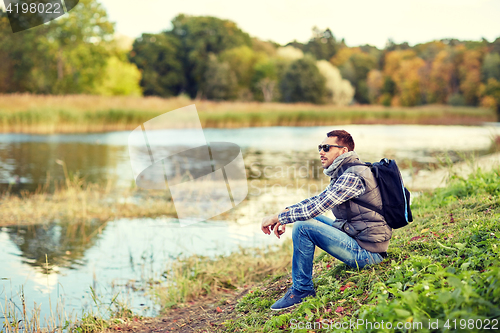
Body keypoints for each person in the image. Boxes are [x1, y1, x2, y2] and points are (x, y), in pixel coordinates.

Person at [261, 129, 391, 311]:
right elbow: (318, 200)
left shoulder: (352, 176)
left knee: (303, 227)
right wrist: (288, 211)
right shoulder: (345, 171)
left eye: (326, 147)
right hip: (360, 238)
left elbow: (318, 205)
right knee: (307, 219)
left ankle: (301, 290)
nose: (321, 152)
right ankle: (301, 288)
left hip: (368, 253)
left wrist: (279, 217)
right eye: (320, 147)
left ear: (343, 151)